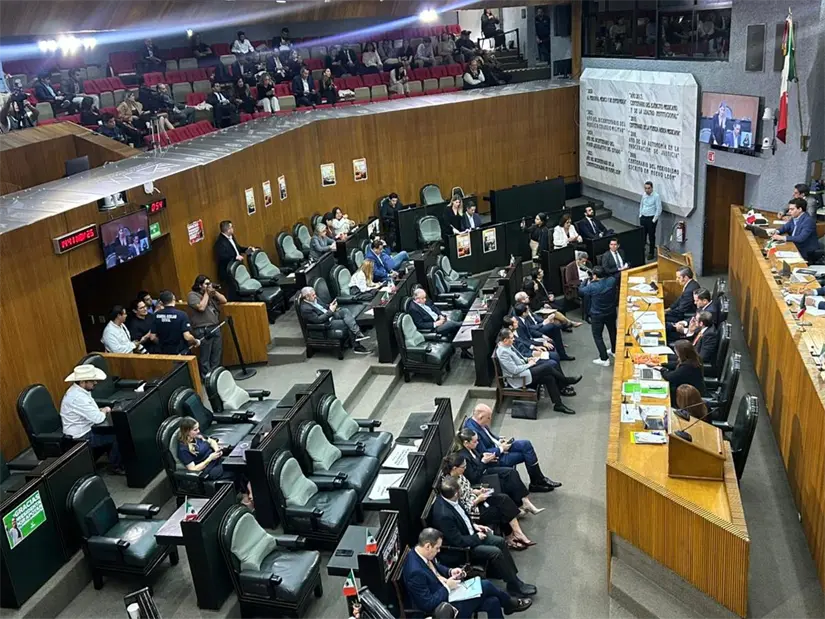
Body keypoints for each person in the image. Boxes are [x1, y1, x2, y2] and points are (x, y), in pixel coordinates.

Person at [432, 478, 537, 597]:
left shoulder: (452, 499)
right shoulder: (443, 515)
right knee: (495, 552)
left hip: (472, 533)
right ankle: (513, 584)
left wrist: (475, 526)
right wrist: (477, 537)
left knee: (500, 541)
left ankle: (514, 580)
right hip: (463, 549)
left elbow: (463, 518)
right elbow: (458, 541)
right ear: (456, 493)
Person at [401, 528, 532, 619]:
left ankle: (509, 603)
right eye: (437, 548)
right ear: (428, 546)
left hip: (451, 594)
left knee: (493, 601)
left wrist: (450, 571)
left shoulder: (419, 552)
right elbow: (427, 604)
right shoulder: (414, 572)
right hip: (445, 610)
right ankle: (510, 603)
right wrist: (448, 587)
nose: (439, 551)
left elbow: (435, 567)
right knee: (485, 585)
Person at [440, 453, 534, 549]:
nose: (465, 469)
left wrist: (477, 491)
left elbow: (467, 489)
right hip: (473, 510)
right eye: (463, 467)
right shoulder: (450, 486)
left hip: (476, 499)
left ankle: (518, 533)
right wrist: (477, 500)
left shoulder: (459, 475)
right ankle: (511, 537)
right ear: (455, 468)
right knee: (500, 511)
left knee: (503, 499)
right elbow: (461, 509)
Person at [465, 403, 560, 491]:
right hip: (495, 457)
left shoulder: (478, 422)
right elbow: (483, 452)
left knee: (526, 444)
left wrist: (499, 440)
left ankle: (538, 480)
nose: (490, 420)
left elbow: (489, 436)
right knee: (526, 455)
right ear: (481, 417)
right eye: (489, 418)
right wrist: (501, 449)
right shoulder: (473, 430)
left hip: (498, 446)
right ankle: (537, 481)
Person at [454, 428, 547, 511]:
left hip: (484, 469)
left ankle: (524, 501)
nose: (477, 443)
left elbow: (478, 458)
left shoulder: (471, 448)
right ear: (466, 443)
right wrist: (483, 462)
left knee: (511, 472)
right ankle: (519, 505)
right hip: (480, 477)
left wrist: (484, 456)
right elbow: (474, 477)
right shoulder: (463, 456)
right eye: (474, 442)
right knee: (507, 477)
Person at [495, 328, 577, 414]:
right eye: (511, 338)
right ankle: (566, 380)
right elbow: (514, 370)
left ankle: (558, 405)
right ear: (505, 340)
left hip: (524, 370)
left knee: (549, 378)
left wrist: (528, 359)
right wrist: (529, 364)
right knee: (547, 367)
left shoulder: (507, 345)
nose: (514, 339)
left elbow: (519, 358)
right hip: (518, 378)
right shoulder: (503, 352)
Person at [178, 416, 253, 507]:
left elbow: (212, 441)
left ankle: (249, 490)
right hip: (209, 470)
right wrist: (209, 458)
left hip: (217, 460)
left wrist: (217, 450)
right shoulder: (183, 449)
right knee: (237, 469)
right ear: (187, 431)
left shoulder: (198, 437)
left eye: (198, 428)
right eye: (195, 430)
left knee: (242, 462)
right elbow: (193, 469)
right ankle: (246, 496)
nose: (198, 431)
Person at [60, 364, 122, 473]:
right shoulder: (77, 398)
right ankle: (115, 466)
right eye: (92, 381)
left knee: (118, 429)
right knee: (120, 436)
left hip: (88, 428)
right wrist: (104, 410)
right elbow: (98, 419)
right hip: (81, 436)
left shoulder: (80, 391)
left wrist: (100, 411)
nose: (95, 383)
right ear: (83, 382)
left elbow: (91, 412)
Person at [298, 286, 372, 354]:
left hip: (330, 314)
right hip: (326, 323)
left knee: (345, 311)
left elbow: (324, 306)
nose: (315, 296)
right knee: (347, 323)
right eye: (313, 295)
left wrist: (331, 306)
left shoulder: (315, 299)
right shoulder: (305, 309)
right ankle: (357, 347)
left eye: (314, 294)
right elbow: (318, 320)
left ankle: (358, 333)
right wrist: (330, 311)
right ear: (307, 297)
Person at [187, 275, 226, 378]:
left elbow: (224, 300)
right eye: (206, 284)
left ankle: (215, 375)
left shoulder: (210, 294)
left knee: (216, 352)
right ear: (200, 285)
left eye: (210, 283)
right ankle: (206, 377)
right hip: (203, 329)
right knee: (206, 355)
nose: (209, 286)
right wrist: (206, 294)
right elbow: (201, 307)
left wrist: (214, 291)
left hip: (215, 327)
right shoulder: (192, 295)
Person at [579, 266, 617, 367]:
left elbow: (581, 291)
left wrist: (586, 280)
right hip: (611, 312)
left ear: (595, 276)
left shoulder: (592, 287)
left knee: (598, 336)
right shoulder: (612, 281)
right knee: (613, 331)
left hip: (597, 315)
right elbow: (611, 276)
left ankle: (604, 358)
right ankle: (614, 350)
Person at [650, 340, 706, 407]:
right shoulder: (694, 358)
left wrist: (661, 369)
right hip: (686, 388)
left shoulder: (688, 366)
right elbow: (675, 364)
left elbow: (670, 377)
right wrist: (660, 364)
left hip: (687, 395)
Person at [152, 290, 200, 354]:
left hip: (164, 352)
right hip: (180, 352)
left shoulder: (155, 315)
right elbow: (187, 337)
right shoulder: (182, 314)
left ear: (161, 302)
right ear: (173, 299)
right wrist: (196, 341)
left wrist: (163, 344)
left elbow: (152, 337)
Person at [215, 220, 255, 288]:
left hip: (238, 267)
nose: (233, 229)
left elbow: (237, 248)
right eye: (231, 227)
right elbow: (222, 257)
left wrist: (247, 249)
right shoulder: (220, 242)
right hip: (229, 272)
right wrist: (235, 257)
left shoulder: (231, 236)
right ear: (228, 230)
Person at [639, 181, 662, 260]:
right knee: (642, 236)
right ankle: (642, 250)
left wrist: (654, 220)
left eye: (648, 188)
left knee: (651, 237)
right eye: (645, 188)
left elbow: (659, 209)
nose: (647, 190)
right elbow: (641, 205)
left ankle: (651, 253)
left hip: (651, 219)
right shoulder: (644, 195)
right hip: (643, 218)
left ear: (652, 188)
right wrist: (640, 215)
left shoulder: (656, 196)